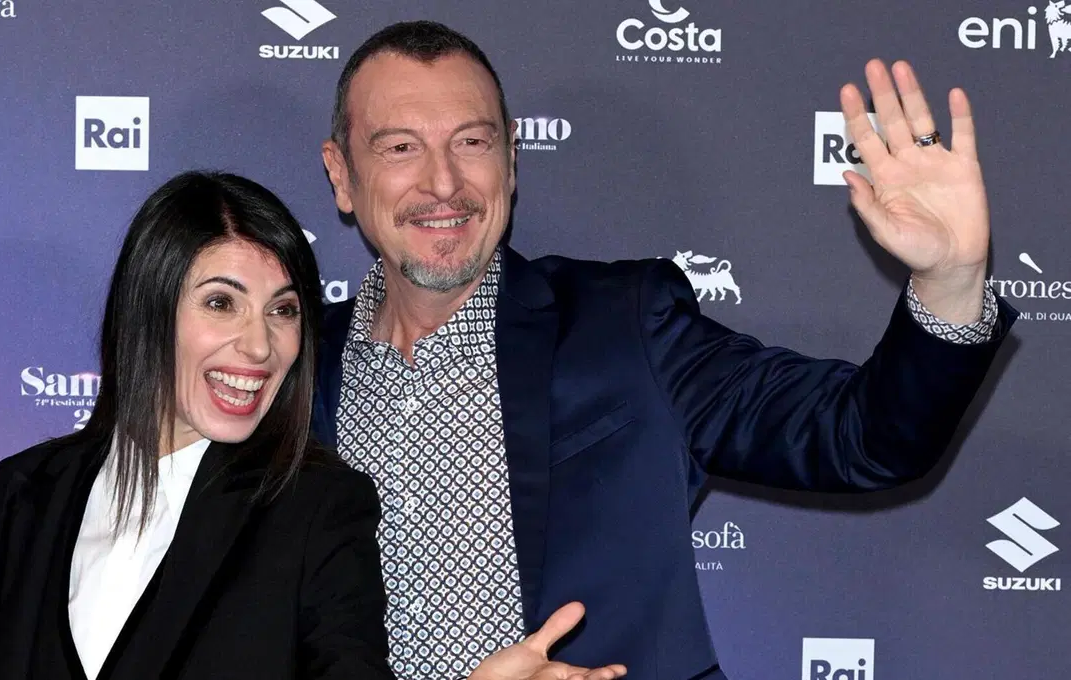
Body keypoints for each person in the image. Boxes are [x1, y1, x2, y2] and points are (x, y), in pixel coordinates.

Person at [305, 20, 1015, 680]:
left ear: (511, 159)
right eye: (400, 147)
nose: (443, 183)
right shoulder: (290, 371)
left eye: (472, 142)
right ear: (342, 175)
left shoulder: (624, 326)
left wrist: (949, 279)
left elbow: (862, 437)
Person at [0, 171, 628, 680]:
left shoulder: (314, 507)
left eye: (284, 310)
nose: (259, 346)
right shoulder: (24, 491)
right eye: (221, 303)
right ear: (147, 309)